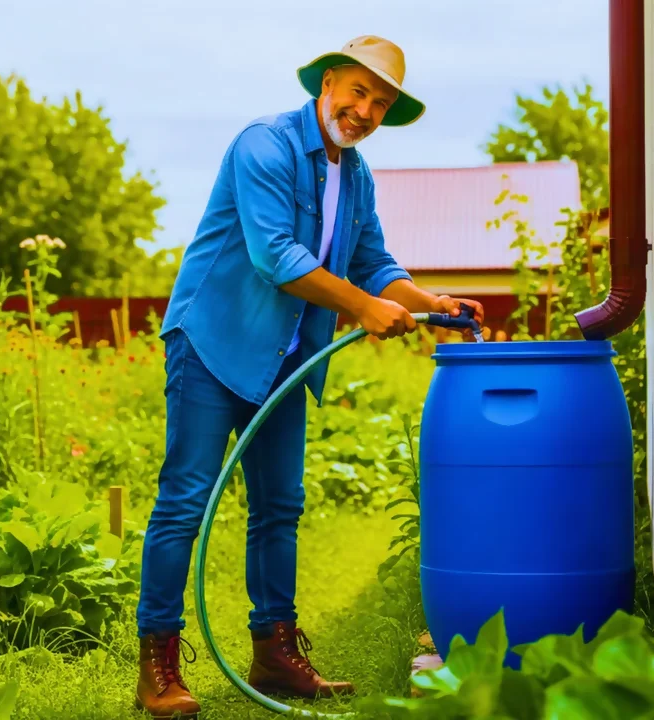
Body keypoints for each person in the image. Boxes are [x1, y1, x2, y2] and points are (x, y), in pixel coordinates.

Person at [133, 35, 484, 718]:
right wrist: (363, 308)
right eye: (358, 92)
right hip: (213, 340)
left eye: (379, 103)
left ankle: (274, 653)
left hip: (286, 357)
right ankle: (158, 666)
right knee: (185, 502)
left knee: (280, 506)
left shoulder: (355, 176)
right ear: (327, 83)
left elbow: (374, 262)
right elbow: (276, 255)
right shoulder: (263, 145)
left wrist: (430, 303)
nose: (365, 110)